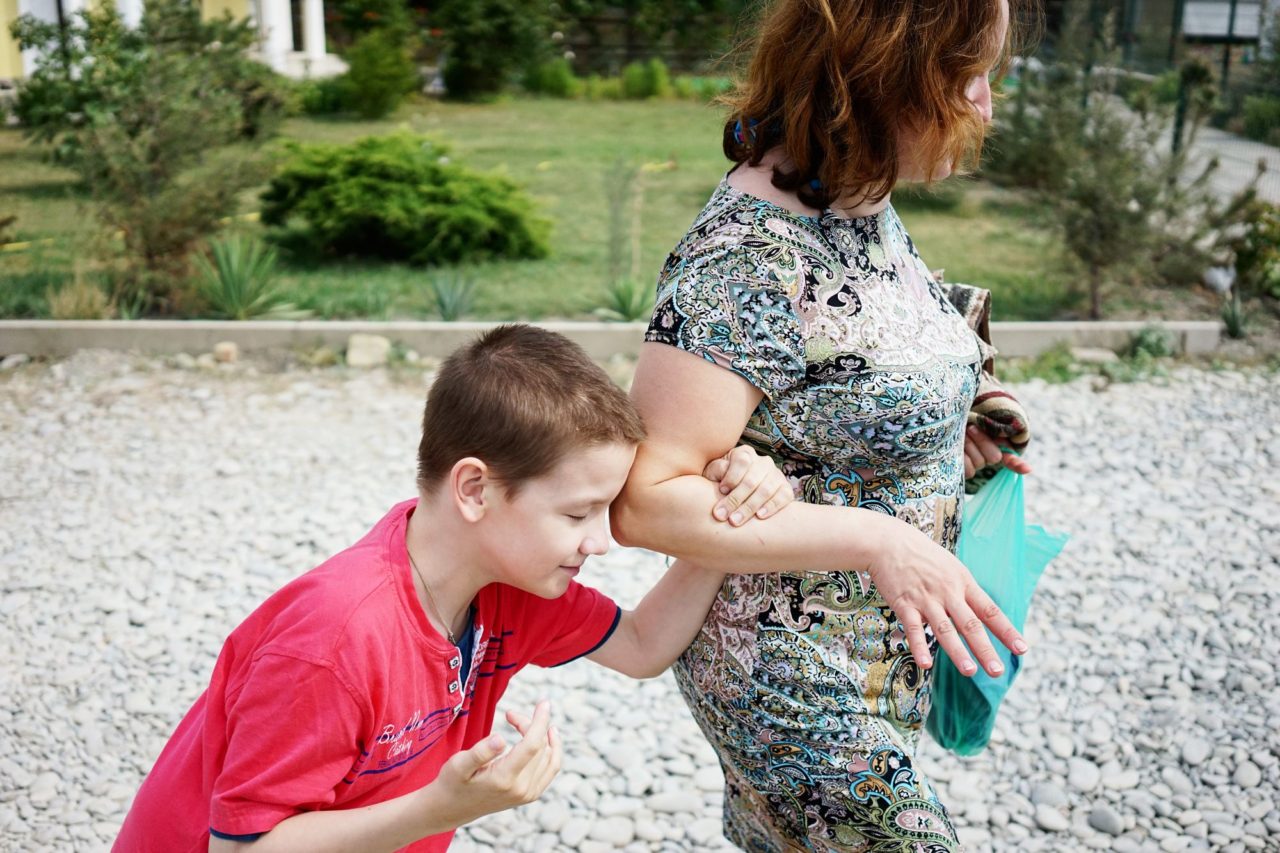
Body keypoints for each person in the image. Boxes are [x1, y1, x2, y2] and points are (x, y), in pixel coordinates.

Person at [609, 0, 1036, 849]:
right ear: (888, 76)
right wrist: (881, 539)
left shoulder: (857, 200)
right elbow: (646, 500)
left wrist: (944, 432)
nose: (986, 103)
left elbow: (829, 393)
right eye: (968, 75)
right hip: (790, 679)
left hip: (879, 664)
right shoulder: (745, 256)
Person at [112, 324, 796, 853]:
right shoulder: (335, 637)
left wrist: (730, 517)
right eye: (577, 514)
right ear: (474, 488)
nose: (600, 540)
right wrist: (440, 808)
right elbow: (241, 847)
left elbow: (643, 644)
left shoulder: (510, 586)